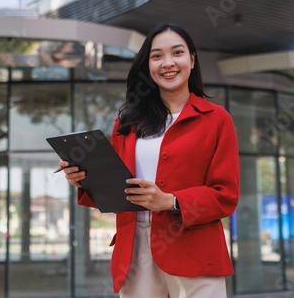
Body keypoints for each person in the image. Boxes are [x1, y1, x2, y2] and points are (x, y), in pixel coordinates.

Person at [59, 23, 239, 297]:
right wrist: (83, 179)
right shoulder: (127, 124)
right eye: (157, 56)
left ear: (191, 60)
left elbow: (226, 195)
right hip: (134, 250)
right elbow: (115, 189)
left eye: (177, 53)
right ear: (148, 65)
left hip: (195, 252)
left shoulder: (216, 119)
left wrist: (170, 201)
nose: (168, 63)